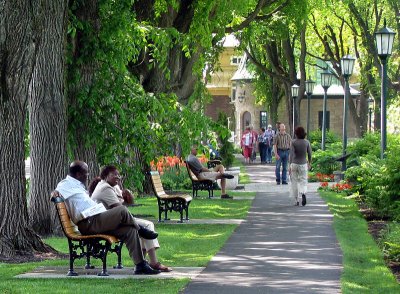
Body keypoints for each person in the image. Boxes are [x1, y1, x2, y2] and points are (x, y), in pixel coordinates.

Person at [56, 161, 161, 275]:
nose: (88, 175)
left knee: (130, 230)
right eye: (86, 173)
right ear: (78, 174)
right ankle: (141, 230)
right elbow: (57, 191)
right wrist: (54, 193)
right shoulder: (65, 184)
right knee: (122, 210)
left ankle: (140, 265)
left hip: (97, 220)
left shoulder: (77, 185)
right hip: (89, 223)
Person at [89, 165, 172, 272]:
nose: (117, 177)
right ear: (105, 176)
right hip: (106, 223)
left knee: (142, 226)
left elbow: (126, 204)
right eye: (114, 175)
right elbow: (119, 208)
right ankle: (152, 262)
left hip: (116, 221)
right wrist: (124, 200)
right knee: (146, 226)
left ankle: (142, 263)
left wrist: (128, 197)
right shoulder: (104, 188)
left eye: (118, 175)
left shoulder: (113, 186)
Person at [289, 126, 312, 206]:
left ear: (296, 134)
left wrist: (289, 165)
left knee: (294, 182)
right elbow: (309, 153)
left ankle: (296, 200)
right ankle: (303, 193)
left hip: (294, 163)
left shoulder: (293, 142)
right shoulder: (307, 142)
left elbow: (291, 154)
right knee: (303, 180)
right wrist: (309, 162)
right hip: (303, 164)